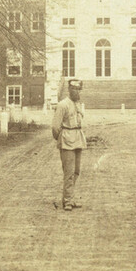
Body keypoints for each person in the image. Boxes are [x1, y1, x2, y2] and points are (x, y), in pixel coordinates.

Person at [52, 78, 87, 211]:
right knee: (69, 172)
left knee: (76, 171)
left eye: (78, 90)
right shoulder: (62, 105)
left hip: (78, 139)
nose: (76, 92)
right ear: (69, 90)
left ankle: (70, 198)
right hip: (67, 140)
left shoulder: (77, 104)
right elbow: (55, 127)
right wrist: (61, 139)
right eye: (74, 89)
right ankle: (67, 201)